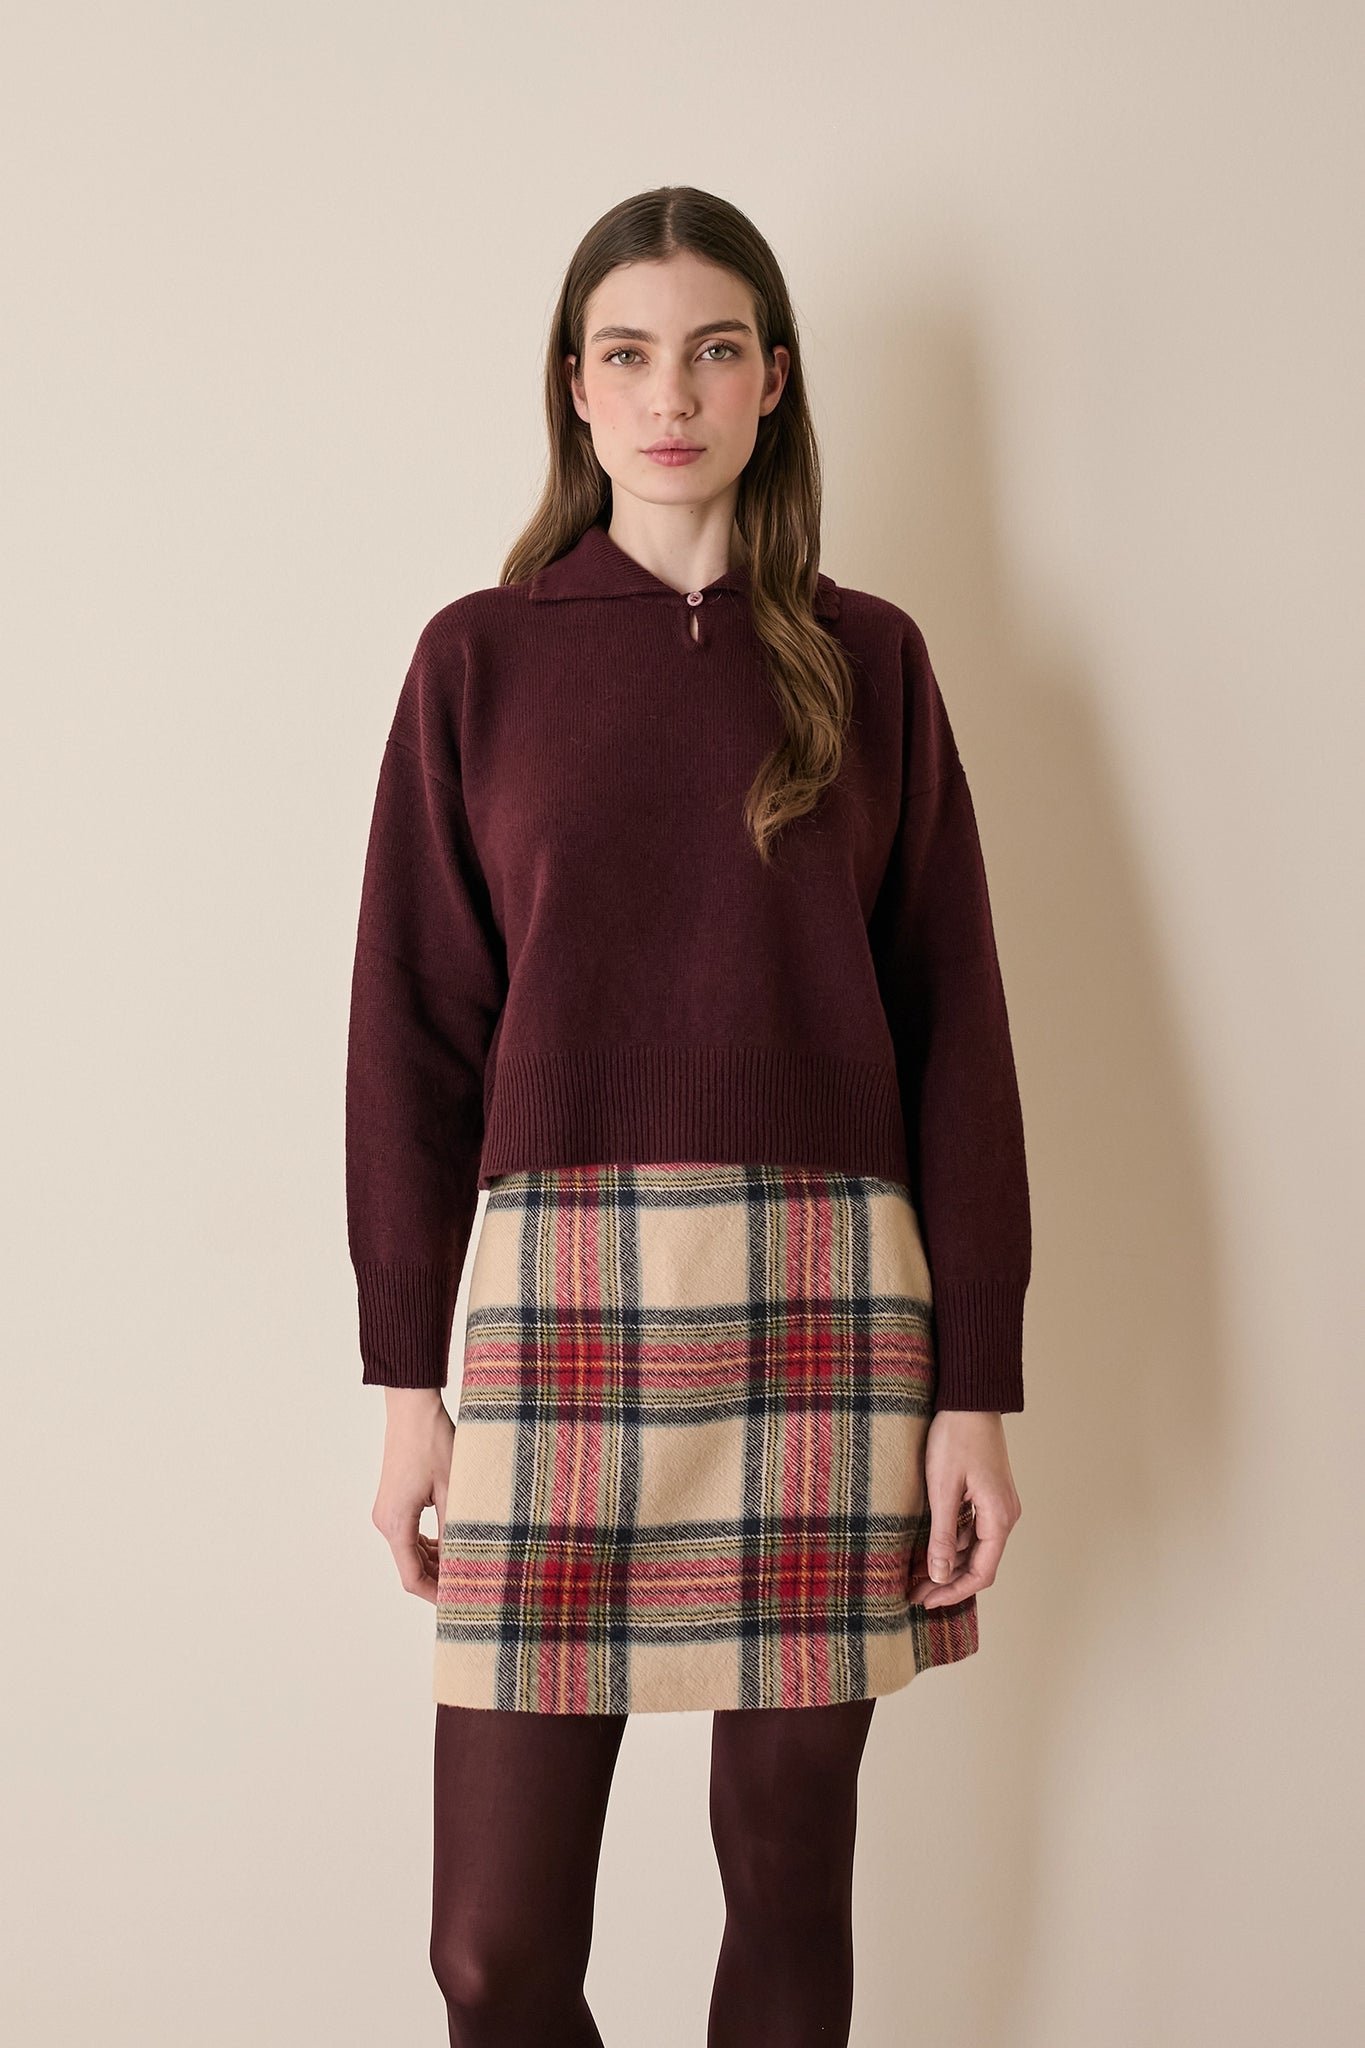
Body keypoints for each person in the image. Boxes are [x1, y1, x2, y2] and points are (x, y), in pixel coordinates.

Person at [345, 184, 1031, 2048]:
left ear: (771, 383)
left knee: (786, 1870)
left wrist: (974, 1390)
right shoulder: (479, 660)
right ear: (573, 387)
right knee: (491, 1954)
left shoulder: (867, 657)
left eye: (713, 352)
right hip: (558, 1304)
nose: (671, 395)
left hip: (832, 1302)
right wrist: (407, 1391)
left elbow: (956, 1034)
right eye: (629, 354)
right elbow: (409, 1036)